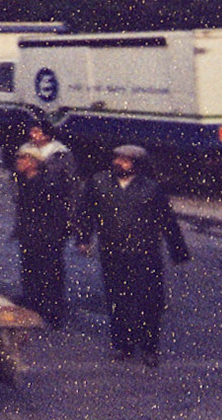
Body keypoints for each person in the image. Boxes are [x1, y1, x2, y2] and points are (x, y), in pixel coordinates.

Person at [75, 144, 190, 367]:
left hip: (145, 253)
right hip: (113, 251)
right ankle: (123, 345)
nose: (119, 163)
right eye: (117, 158)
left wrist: (178, 250)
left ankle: (149, 347)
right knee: (118, 300)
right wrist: (83, 238)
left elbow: (168, 221)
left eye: (126, 160)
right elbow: (85, 212)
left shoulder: (151, 189)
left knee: (150, 302)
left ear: (137, 165)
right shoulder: (99, 183)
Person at [11, 152, 74, 327]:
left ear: (33, 163)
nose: (18, 162)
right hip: (30, 235)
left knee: (49, 273)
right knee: (30, 271)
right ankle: (32, 304)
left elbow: (56, 213)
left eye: (23, 159)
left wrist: (52, 234)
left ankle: (53, 312)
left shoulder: (48, 184)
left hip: (47, 236)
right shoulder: (25, 180)